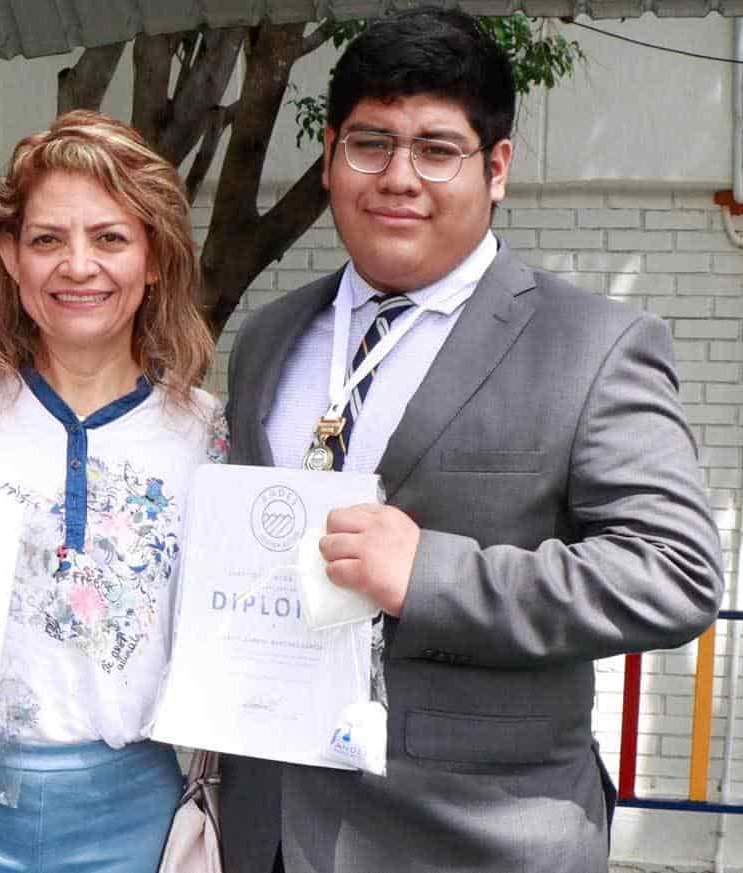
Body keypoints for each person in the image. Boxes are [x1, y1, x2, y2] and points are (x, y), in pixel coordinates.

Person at [220, 9, 723, 873]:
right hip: (272, 827)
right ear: (332, 154)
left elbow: (674, 573)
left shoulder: (592, 344)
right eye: (370, 143)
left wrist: (433, 574)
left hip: (475, 838)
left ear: (496, 168)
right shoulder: (270, 338)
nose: (398, 177)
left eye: (437, 149)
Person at [0, 110, 227, 873]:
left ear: (154, 257)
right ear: (9, 258)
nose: (78, 266)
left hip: (133, 814)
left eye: (110, 238)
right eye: (47, 240)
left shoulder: (207, 433)